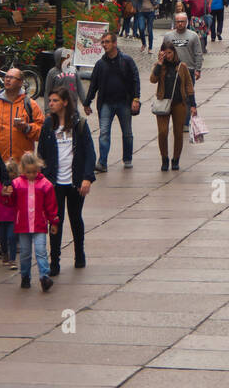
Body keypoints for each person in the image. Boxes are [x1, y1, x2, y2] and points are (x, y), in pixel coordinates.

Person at [40, 86, 95, 272]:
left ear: (64, 102)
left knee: (75, 218)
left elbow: (89, 152)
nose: (51, 104)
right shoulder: (48, 125)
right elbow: (41, 154)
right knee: (55, 220)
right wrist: (43, 178)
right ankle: (54, 260)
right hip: (54, 182)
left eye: (55, 101)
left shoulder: (79, 124)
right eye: (50, 101)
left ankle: (80, 253)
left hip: (75, 181)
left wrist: (87, 178)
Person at [83, 30, 141, 172]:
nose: (104, 45)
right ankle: (102, 162)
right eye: (103, 42)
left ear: (115, 43)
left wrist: (136, 98)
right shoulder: (100, 64)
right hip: (106, 104)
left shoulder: (126, 60)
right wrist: (87, 102)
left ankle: (127, 158)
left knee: (127, 132)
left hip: (124, 102)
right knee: (104, 133)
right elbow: (93, 85)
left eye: (107, 42)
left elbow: (135, 79)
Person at [11, 151, 58, 291]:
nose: (31, 175)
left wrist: (54, 221)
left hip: (39, 224)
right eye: (28, 172)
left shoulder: (45, 185)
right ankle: (25, 276)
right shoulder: (16, 184)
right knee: (25, 253)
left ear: (38, 169)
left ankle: (44, 276)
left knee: (40, 250)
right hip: (23, 225)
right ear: (23, 170)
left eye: (34, 172)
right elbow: (10, 202)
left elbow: (51, 205)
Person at [0, 69, 44, 171]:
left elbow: (42, 132)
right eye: (6, 77)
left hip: (23, 166)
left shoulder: (30, 105)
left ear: (20, 82)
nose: (7, 80)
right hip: (1, 164)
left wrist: (27, 128)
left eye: (11, 78)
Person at [150, 39, 196, 171]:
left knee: (178, 133)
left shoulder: (182, 67)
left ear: (174, 52)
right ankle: (164, 158)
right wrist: (159, 64)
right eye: (165, 53)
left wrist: (192, 105)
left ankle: (175, 159)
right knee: (163, 132)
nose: (167, 56)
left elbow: (189, 85)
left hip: (179, 103)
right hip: (163, 103)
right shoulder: (160, 66)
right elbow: (153, 80)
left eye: (169, 53)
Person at [166, 9, 203, 132]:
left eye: (182, 21)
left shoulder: (193, 36)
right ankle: (176, 120)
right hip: (172, 71)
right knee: (174, 97)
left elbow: (198, 53)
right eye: (178, 22)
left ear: (186, 22)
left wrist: (198, 69)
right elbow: (163, 53)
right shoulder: (168, 36)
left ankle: (185, 123)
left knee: (187, 96)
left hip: (189, 70)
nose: (180, 24)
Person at [0, 157, 19, 268]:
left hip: (12, 217)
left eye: (11, 171)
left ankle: (12, 259)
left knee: (12, 237)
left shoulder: (15, 185)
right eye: (6, 172)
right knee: (2, 238)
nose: (9, 174)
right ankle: (5, 254)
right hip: (0, 217)